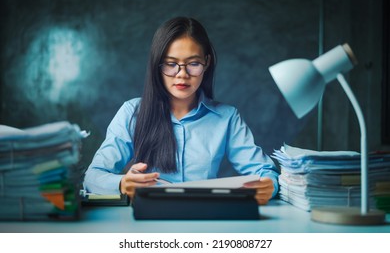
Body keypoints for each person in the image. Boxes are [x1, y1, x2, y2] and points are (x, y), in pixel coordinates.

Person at [83, 16, 280, 205]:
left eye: (193, 64)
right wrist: (122, 183)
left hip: (206, 222)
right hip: (148, 225)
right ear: (157, 65)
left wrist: (268, 185)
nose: (182, 74)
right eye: (171, 64)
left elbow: (264, 170)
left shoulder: (227, 117)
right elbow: (93, 177)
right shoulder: (131, 113)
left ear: (207, 62)